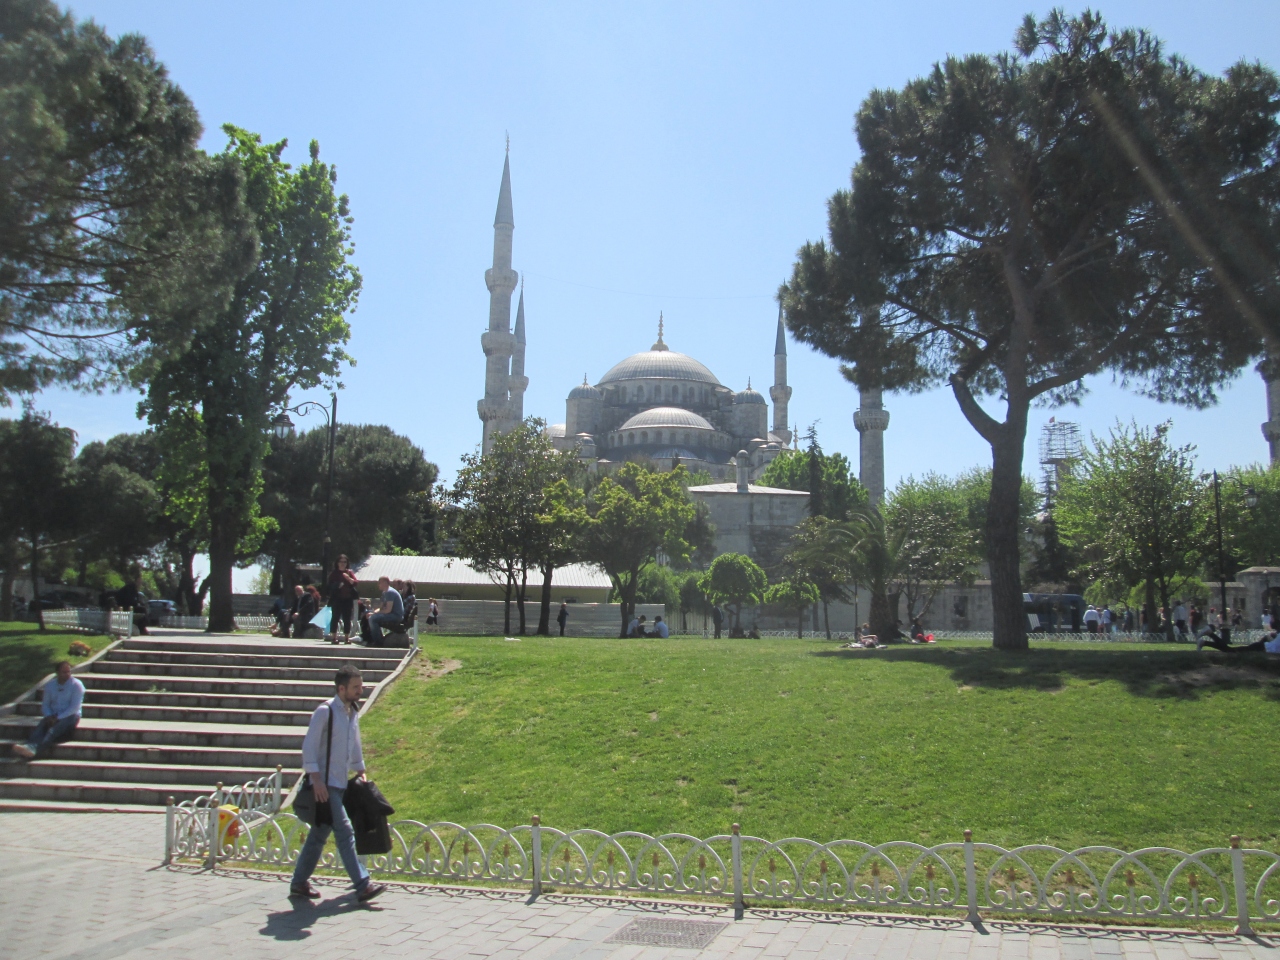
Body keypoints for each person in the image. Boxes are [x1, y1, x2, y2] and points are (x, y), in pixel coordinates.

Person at [289, 663, 386, 904]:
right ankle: (363, 885)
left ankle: (299, 883)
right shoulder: (325, 712)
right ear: (341, 688)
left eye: (361, 686)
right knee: (344, 830)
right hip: (324, 785)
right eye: (355, 687)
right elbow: (309, 748)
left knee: (319, 834)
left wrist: (361, 770)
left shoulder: (352, 712)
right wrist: (316, 780)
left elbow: (355, 743)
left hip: (340, 783)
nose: (360, 691)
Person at [13, 662, 84, 759]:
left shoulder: (77, 685)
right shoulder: (50, 685)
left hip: (70, 716)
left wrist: (58, 718)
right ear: (57, 672)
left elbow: (74, 707)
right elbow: (45, 705)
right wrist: (49, 716)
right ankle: (28, 746)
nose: (67, 674)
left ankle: (34, 749)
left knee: (52, 730)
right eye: (64, 672)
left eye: (69, 672)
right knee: (41, 726)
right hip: (53, 715)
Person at [327, 555, 359, 642]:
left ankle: (346, 637)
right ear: (337, 563)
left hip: (347, 599)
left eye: (345, 562)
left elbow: (355, 582)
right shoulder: (334, 573)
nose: (343, 564)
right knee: (335, 617)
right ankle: (334, 637)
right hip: (337, 598)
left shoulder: (349, 572)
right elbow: (329, 586)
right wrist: (337, 585)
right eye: (341, 561)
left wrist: (349, 579)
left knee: (347, 618)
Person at [365, 576, 404, 646]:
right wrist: (373, 613)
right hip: (389, 614)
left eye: (379, 583)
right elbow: (381, 608)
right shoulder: (384, 593)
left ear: (385, 583)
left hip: (396, 616)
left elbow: (388, 610)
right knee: (369, 616)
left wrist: (373, 615)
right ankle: (369, 638)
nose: (378, 585)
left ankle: (378, 642)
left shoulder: (390, 592)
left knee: (373, 619)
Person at [1197, 628, 1280, 654]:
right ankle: (1210, 634)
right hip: (1261, 648)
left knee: (1229, 650)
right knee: (1229, 651)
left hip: (1261, 647)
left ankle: (1205, 642)